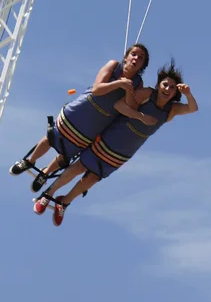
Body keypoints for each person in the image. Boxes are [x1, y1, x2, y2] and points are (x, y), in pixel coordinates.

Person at [33, 59, 198, 226]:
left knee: (93, 178)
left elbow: (193, 108)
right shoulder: (147, 94)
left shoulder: (171, 109)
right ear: (158, 85)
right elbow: (120, 105)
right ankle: (48, 194)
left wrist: (188, 94)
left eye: (171, 87)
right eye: (165, 85)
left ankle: (64, 202)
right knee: (79, 167)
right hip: (108, 139)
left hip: (122, 152)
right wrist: (140, 116)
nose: (167, 89)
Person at [10, 43, 150, 192]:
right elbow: (97, 89)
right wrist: (119, 83)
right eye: (134, 54)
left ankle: (45, 173)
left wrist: (128, 90)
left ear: (142, 65)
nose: (136, 58)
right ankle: (29, 161)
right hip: (82, 109)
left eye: (141, 58)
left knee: (67, 153)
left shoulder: (138, 84)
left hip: (97, 122)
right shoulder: (114, 65)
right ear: (126, 56)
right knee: (53, 137)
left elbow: (131, 107)